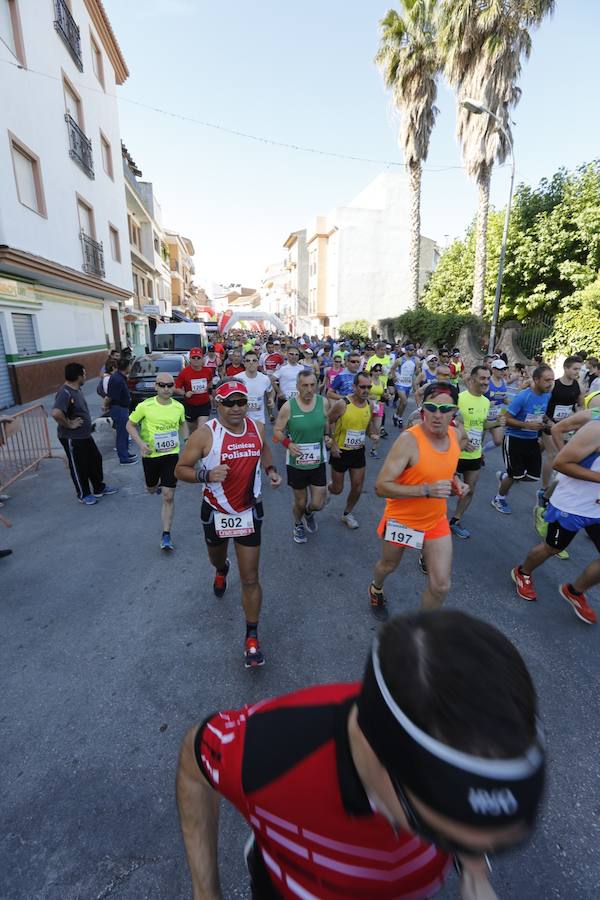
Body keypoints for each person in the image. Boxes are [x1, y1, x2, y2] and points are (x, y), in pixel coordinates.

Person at [177, 609, 545, 900]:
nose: (454, 851)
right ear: (376, 753)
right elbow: (195, 765)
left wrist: (476, 874)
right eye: (437, 834)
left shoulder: (476, 746)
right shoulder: (267, 753)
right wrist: (205, 891)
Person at [175, 379, 281, 667]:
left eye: (241, 402)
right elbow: (180, 469)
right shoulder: (204, 434)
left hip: (248, 511)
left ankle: (251, 637)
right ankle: (221, 570)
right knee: (217, 558)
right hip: (216, 512)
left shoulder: (257, 428)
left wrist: (270, 470)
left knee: (250, 578)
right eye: (229, 403)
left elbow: (264, 450)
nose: (236, 408)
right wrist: (205, 476)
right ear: (217, 404)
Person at [368, 382, 468, 621]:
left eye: (445, 410)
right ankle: (376, 588)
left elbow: (443, 469)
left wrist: (456, 483)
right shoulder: (408, 441)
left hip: (434, 521)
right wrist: (426, 490)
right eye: (431, 407)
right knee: (388, 566)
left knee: (441, 586)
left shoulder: (456, 436)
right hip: (402, 521)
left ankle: (421, 631)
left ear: (455, 411)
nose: (437, 415)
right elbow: (381, 487)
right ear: (423, 407)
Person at [511, 419, 600, 624]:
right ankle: (522, 572)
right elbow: (561, 462)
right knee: (552, 547)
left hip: (596, 509)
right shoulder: (596, 427)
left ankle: (575, 591)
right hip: (572, 505)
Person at [126, 373, 187, 551]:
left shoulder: (178, 407)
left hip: (171, 456)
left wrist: (187, 440)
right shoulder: (145, 406)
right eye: (162, 385)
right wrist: (140, 443)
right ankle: (154, 485)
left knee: (168, 496)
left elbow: (183, 424)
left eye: (170, 385)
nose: (166, 389)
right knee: (151, 488)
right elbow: (129, 425)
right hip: (151, 456)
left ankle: (166, 535)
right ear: (156, 387)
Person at [273, 369, 335, 543]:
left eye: (312, 385)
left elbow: (327, 423)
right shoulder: (288, 406)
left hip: (318, 461)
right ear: (298, 386)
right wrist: (288, 444)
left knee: (317, 503)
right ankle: (298, 523)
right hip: (296, 462)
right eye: (305, 385)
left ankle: (309, 513)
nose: (309, 389)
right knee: (300, 502)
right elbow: (277, 431)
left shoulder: (323, 402)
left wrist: (327, 436)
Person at [51, 363, 118, 505]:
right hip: (72, 438)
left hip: (84, 435)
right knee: (79, 466)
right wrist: (69, 424)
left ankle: (99, 487)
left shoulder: (76, 390)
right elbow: (56, 413)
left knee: (95, 459)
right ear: (78, 376)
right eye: (84, 374)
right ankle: (83, 494)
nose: (85, 377)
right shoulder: (65, 392)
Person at [491, 365, 555, 515]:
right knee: (515, 475)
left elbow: (540, 413)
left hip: (531, 440)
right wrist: (528, 425)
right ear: (536, 379)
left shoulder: (547, 395)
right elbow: (506, 419)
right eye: (547, 380)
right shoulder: (523, 396)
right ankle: (499, 498)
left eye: (552, 380)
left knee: (532, 476)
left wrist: (548, 421)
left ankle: (504, 477)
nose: (550, 383)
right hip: (514, 439)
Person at [328, 372, 377, 528]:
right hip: (340, 451)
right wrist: (333, 443)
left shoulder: (369, 404)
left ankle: (347, 514)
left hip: (358, 451)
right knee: (337, 489)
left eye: (369, 387)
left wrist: (372, 435)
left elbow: (367, 425)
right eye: (362, 387)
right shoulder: (343, 404)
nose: (366, 390)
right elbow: (328, 421)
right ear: (354, 386)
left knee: (357, 486)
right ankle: (328, 488)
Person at [449, 367, 492, 540]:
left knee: (470, 490)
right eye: (482, 378)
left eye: (488, 378)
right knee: (448, 489)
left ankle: (455, 520)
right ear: (473, 379)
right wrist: (462, 443)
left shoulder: (486, 402)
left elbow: (481, 427)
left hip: (474, 455)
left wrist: (480, 448)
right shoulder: (459, 399)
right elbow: (449, 425)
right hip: (455, 453)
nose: (486, 382)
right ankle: (432, 519)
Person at [538, 356, 583, 507]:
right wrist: (548, 422)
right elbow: (541, 406)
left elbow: (580, 407)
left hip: (565, 427)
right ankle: (543, 489)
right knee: (553, 455)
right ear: (566, 368)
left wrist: (577, 420)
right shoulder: (553, 386)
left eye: (579, 369)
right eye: (575, 369)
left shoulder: (578, 387)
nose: (577, 372)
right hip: (549, 425)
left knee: (537, 451)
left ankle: (525, 466)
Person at [174, 347, 215, 433]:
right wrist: (185, 393)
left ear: (202, 358)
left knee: (200, 429)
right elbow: (176, 388)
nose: (196, 360)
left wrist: (210, 394)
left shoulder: (208, 371)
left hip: (204, 404)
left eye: (198, 358)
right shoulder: (184, 373)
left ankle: (200, 444)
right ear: (190, 359)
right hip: (190, 405)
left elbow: (210, 383)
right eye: (193, 358)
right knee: (192, 431)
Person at [107, 358, 138, 465]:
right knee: (121, 434)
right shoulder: (117, 379)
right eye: (130, 365)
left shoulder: (121, 377)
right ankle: (123, 458)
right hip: (119, 409)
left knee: (125, 433)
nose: (130, 367)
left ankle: (126, 453)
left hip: (123, 408)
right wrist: (105, 406)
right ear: (126, 367)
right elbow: (110, 396)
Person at [238, 350, 274, 424]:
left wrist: (271, 398)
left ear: (258, 363)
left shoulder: (265, 379)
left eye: (254, 360)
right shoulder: (237, 379)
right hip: (241, 421)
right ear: (244, 363)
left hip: (259, 420)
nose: (251, 363)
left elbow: (271, 391)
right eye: (248, 361)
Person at [389, 342, 420, 428]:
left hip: (408, 384)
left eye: (413, 350)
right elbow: (392, 369)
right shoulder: (400, 360)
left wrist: (418, 371)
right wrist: (394, 377)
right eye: (410, 350)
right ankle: (400, 417)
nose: (412, 351)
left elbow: (417, 372)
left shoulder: (416, 360)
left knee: (402, 403)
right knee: (405, 402)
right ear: (406, 350)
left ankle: (396, 415)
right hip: (400, 384)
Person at [366, 362, 390, 456]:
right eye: (376, 370)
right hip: (367, 406)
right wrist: (369, 397)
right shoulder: (368, 381)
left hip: (379, 406)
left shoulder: (382, 382)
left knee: (377, 429)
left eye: (380, 370)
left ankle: (373, 449)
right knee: (364, 427)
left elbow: (384, 394)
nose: (378, 372)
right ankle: (359, 444)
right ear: (371, 371)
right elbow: (361, 393)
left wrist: (387, 396)